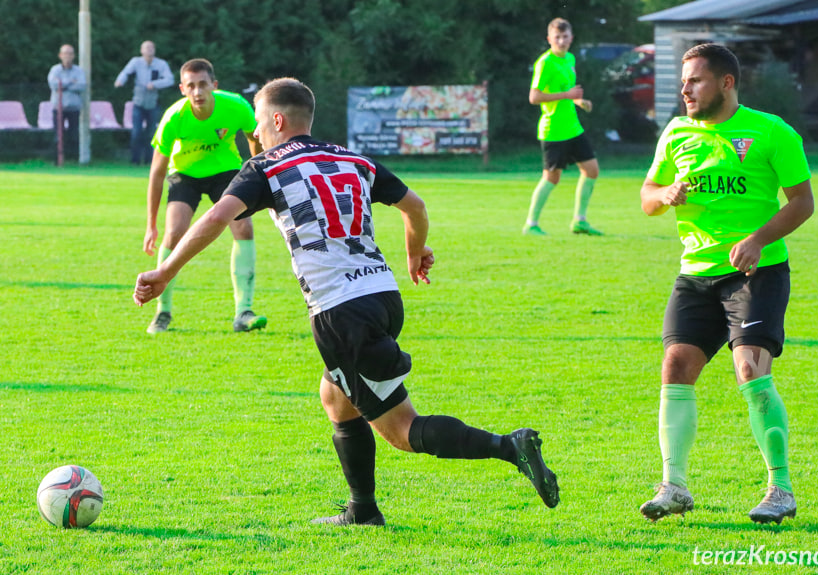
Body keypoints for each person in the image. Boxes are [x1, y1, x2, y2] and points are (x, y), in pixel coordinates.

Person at [134, 77, 560, 525]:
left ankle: (510, 446)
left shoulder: (265, 167)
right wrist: (415, 251)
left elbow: (219, 216)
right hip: (383, 295)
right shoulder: (351, 157)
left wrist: (165, 272)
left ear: (277, 119)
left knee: (400, 429)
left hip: (341, 311)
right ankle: (362, 509)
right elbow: (415, 207)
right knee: (336, 398)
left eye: (258, 123)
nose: (255, 135)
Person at [638, 43, 814, 525]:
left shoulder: (770, 131)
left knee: (750, 369)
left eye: (695, 80)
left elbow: (802, 201)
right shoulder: (676, 133)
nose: (685, 89)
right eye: (683, 81)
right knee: (675, 366)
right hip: (695, 273)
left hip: (757, 273)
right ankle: (673, 485)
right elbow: (647, 196)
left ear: (726, 83)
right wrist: (664, 194)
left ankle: (780, 488)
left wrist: (758, 239)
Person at [143, 58, 266, 334]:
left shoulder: (236, 106)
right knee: (174, 234)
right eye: (191, 86)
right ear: (182, 89)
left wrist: (260, 180)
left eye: (203, 85)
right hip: (185, 174)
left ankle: (243, 311)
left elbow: (254, 139)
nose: (198, 92)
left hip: (225, 172)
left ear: (214, 85)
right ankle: (162, 312)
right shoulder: (174, 117)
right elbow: (157, 172)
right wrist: (151, 224)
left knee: (244, 227)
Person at [524, 17, 601, 236]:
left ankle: (580, 221)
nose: (561, 41)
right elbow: (534, 96)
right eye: (557, 37)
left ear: (571, 38)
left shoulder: (570, 58)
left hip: (572, 127)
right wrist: (568, 95)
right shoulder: (545, 63)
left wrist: (578, 102)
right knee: (551, 177)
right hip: (553, 130)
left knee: (592, 170)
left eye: (565, 36)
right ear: (549, 39)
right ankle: (531, 224)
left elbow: (568, 93)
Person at [114, 40, 174, 165]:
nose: (149, 50)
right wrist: (120, 81)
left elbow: (170, 80)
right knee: (136, 132)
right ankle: (135, 160)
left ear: (154, 50)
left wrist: (155, 84)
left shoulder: (161, 64)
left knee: (152, 133)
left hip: (153, 103)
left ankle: (149, 160)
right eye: (146, 48)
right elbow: (125, 72)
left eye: (151, 47)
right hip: (138, 103)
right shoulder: (136, 62)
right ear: (141, 50)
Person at [47, 44, 86, 163]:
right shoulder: (55, 70)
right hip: (58, 108)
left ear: (74, 56)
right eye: (65, 53)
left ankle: (73, 159)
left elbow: (82, 85)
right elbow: (54, 85)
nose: (67, 56)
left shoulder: (79, 71)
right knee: (58, 135)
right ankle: (57, 160)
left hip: (73, 107)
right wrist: (70, 82)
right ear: (60, 55)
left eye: (70, 53)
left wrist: (62, 85)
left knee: (74, 134)